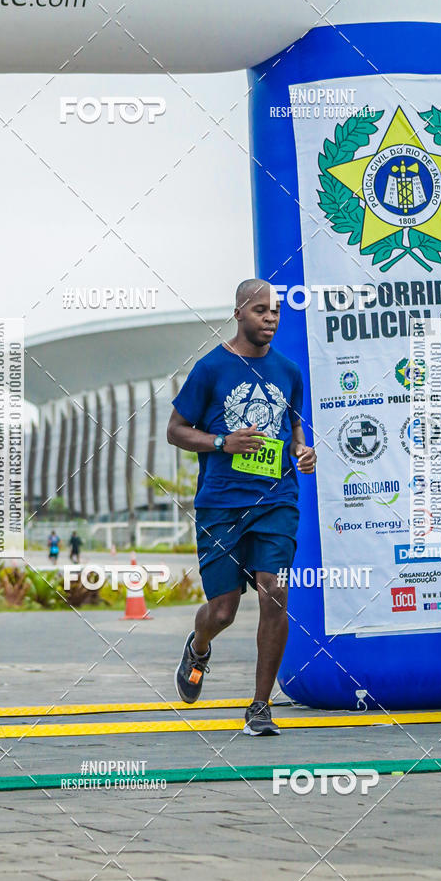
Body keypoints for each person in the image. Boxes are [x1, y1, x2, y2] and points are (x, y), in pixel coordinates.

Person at [168, 278, 316, 736]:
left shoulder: (289, 371)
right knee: (223, 611)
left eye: (276, 311)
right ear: (238, 314)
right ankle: (199, 646)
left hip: (276, 499)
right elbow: (176, 430)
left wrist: (302, 450)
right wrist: (221, 442)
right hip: (221, 505)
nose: (270, 318)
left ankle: (260, 706)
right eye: (260, 310)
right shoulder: (211, 368)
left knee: (275, 592)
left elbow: (294, 428)